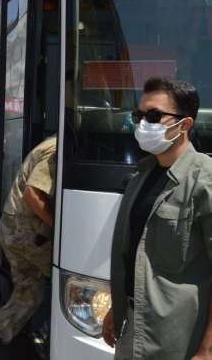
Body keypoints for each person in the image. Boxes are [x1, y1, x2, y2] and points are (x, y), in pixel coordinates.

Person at [101, 77, 212, 360]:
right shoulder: (143, 175)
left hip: (177, 339)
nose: (143, 125)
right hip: (133, 327)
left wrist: (207, 349)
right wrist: (117, 307)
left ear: (184, 124)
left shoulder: (205, 180)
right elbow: (135, 255)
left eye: (153, 116)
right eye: (139, 116)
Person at [0, 134, 56, 360]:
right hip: (27, 234)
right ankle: (54, 343)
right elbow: (32, 193)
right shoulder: (57, 149)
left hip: (12, 230)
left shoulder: (49, 143)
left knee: (30, 290)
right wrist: (61, 228)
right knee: (72, 284)